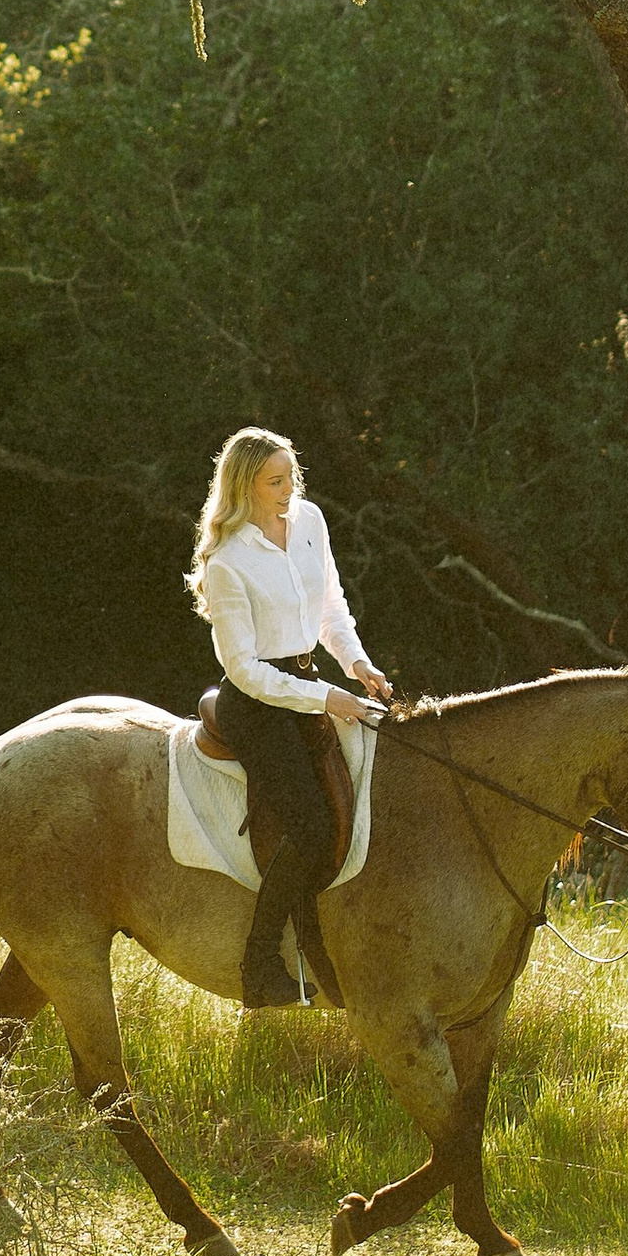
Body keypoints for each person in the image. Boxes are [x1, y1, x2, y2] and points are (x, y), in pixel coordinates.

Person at [188, 425, 391, 1008]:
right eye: (274, 482)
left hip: (308, 682)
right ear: (244, 487)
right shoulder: (227, 561)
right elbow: (246, 669)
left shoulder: (310, 523)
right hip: (255, 705)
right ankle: (259, 964)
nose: (287, 491)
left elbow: (330, 604)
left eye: (290, 477)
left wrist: (356, 664)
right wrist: (328, 698)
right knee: (312, 827)